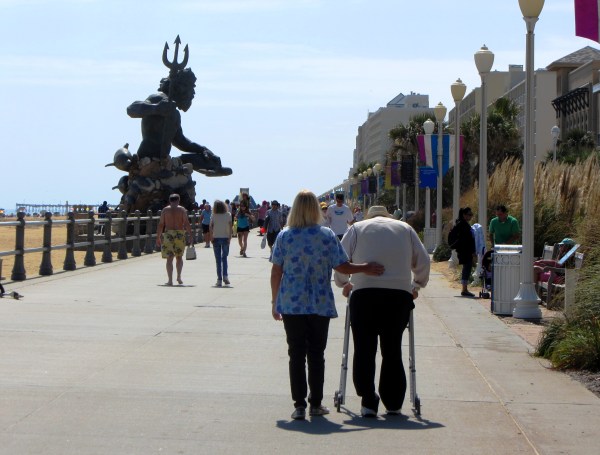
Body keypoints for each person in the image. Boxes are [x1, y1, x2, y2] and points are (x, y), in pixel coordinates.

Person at [270, 190, 385, 421]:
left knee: (296, 354)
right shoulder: (326, 235)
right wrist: (365, 267)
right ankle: (315, 403)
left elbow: (276, 270)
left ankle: (299, 405)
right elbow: (342, 266)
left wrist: (275, 301)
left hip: (292, 303)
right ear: (315, 209)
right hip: (319, 302)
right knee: (316, 354)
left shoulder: (284, 236)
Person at [334, 205, 430, 417]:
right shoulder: (405, 229)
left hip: (364, 295)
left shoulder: (357, 228)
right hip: (397, 297)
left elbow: (339, 259)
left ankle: (368, 399)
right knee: (392, 349)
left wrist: (344, 284)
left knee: (364, 349)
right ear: (387, 216)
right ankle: (393, 401)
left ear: (369, 216)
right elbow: (423, 261)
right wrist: (416, 286)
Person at [126, 68, 231, 177]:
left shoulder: (174, 113)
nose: (193, 93)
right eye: (190, 88)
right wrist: (156, 108)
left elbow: (180, 141)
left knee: (194, 158)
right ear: (178, 87)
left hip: (165, 161)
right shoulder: (159, 99)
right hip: (148, 160)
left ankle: (213, 167)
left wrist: (203, 150)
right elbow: (131, 109)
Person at [156, 194, 192, 286]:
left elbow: (161, 224)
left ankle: (170, 280)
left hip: (168, 234)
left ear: (170, 200)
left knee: (169, 258)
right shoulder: (182, 210)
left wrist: (158, 237)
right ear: (178, 200)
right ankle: (179, 276)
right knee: (179, 257)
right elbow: (186, 223)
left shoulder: (165, 210)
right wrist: (190, 235)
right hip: (180, 233)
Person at [452, 207, 477, 297]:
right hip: (466, 251)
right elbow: (467, 240)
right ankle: (464, 289)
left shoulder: (461, 224)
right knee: (467, 268)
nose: (471, 216)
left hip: (463, 250)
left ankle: (465, 288)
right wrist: (472, 252)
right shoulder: (463, 225)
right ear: (464, 215)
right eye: (469, 214)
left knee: (466, 268)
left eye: (471, 214)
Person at [209, 200, 233, 287]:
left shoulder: (213, 215)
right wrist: (230, 236)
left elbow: (210, 226)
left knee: (218, 260)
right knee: (224, 258)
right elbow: (230, 226)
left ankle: (219, 279)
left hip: (216, 238)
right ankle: (225, 276)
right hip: (225, 237)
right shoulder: (228, 215)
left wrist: (211, 236)